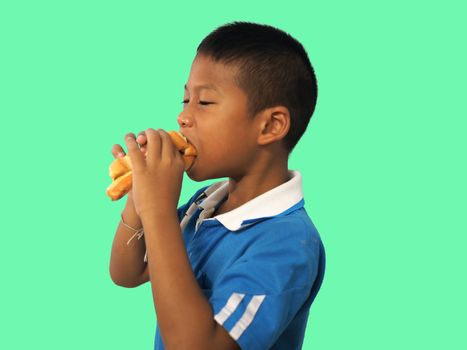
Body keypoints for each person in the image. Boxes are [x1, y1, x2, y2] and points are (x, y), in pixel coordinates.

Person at [109, 21, 326, 350]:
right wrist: (140, 199)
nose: (183, 117)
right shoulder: (206, 205)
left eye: (204, 103)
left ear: (270, 125)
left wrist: (157, 210)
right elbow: (127, 273)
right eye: (184, 100)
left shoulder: (289, 244)